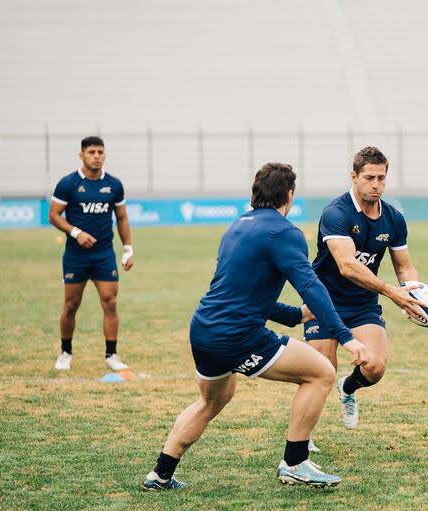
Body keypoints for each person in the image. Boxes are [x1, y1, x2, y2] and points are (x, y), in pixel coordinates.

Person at [142, 163, 369, 490]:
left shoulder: (236, 226)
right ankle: (295, 463)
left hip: (204, 328)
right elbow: (311, 285)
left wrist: (295, 316)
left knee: (211, 401)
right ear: (289, 195)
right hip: (237, 335)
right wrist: (347, 338)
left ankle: (160, 474)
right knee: (321, 372)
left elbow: (239, 292)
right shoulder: (285, 232)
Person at [304, 146, 426, 437]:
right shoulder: (336, 213)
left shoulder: (394, 218)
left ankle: (348, 388)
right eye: (369, 177)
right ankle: (302, 440)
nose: (376, 185)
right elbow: (347, 265)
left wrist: (414, 293)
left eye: (382, 178)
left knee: (375, 367)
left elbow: (404, 267)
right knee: (320, 373)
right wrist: (391, 292)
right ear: (354, 177)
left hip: (362, 303)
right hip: (323, 300)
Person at [48, 136, 133, 371]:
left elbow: (122, 218)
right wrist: (76, 232)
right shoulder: (69, 183)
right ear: (81, 155)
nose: (96, 156)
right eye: (91, 152)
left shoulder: (114, 185)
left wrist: (128, 249)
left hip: (104, 255)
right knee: (71, 304)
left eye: (100, 152)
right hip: (76, 256)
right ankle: (65, 351)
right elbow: (53, 215)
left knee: (110, 301)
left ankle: (111, 355)